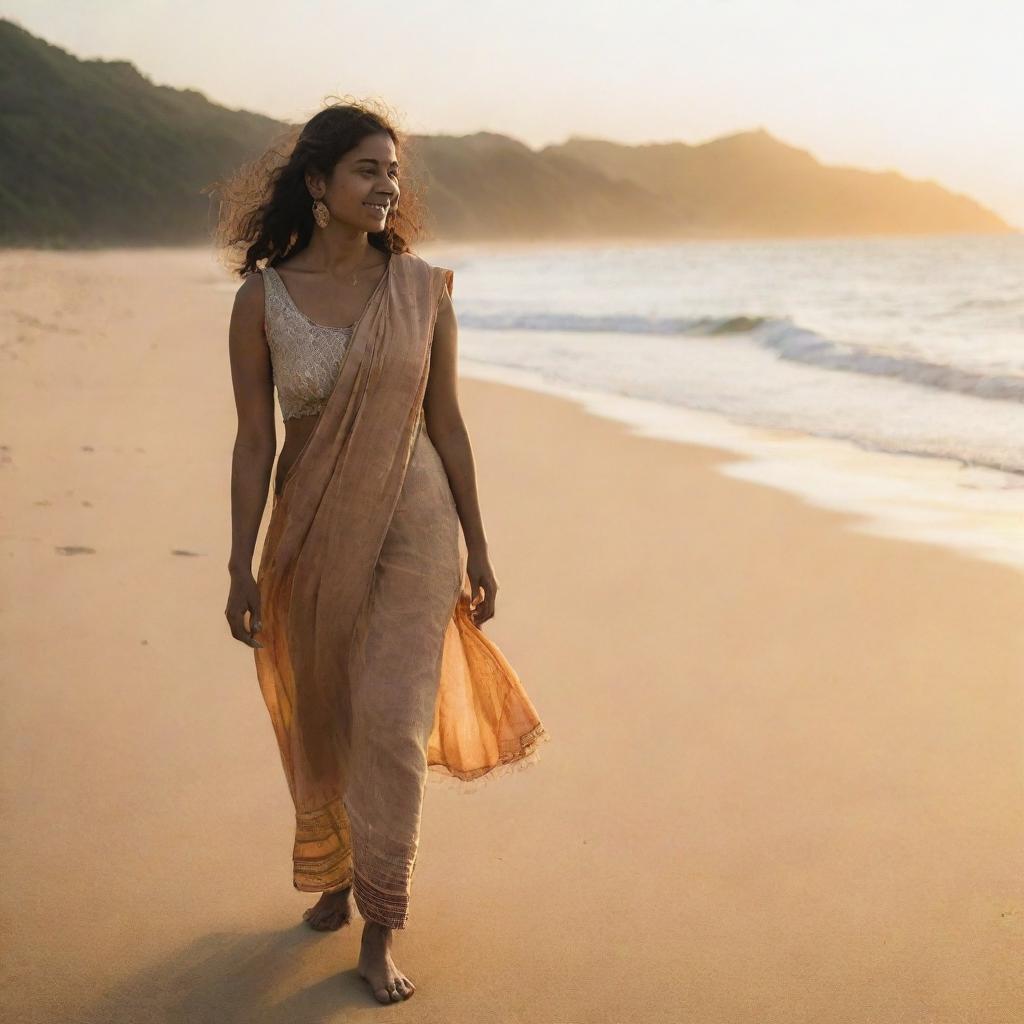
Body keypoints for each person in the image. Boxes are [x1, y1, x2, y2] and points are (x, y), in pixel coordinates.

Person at [214, 100, 549, 1005]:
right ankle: (334, 872)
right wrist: (239, 563)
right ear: (317, 184)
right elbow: (256, 443)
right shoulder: (262, 300)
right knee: (327, 707)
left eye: (394, 172)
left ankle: (380, 926)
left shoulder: (422, 291)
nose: (387, 186)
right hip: (312, 530)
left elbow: (448, 423)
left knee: (394, 724)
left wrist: (479, 542)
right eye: (368, 169)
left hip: (416, 522)